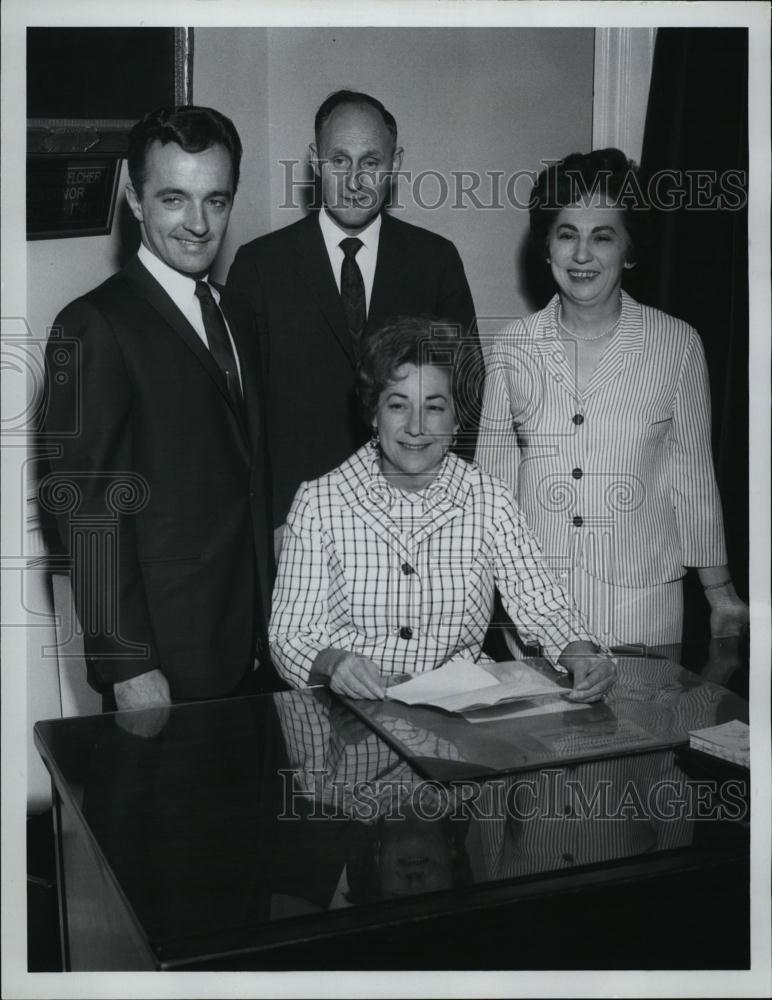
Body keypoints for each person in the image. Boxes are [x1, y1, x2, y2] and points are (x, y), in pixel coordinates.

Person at [41, 105, 275, 712]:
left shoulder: (237, 313)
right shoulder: (92, 325)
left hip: (252, 645)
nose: (198, 224)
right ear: (134, 199)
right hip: (162, 665)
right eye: (174, 198)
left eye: (216, 201)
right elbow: (87, 511)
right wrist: (129, 667)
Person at [475, 148, 749, 660]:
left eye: (602, 236)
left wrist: (720, 593)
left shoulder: (677, 345)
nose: (582, 255)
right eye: (566, 234)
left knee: (646, 736)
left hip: (642, 607)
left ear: (629, 250)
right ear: (546, 247)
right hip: (538, 606)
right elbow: (492, 490)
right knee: (537, 740)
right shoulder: (512, 346)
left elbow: (693, 475)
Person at [269, 316, 616, 701]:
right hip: (352, 718)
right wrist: (333, 663)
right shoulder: (319, 503)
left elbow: (542, 604)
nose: (416, 426)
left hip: (464, 721)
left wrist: (584, 655)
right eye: (398, 405)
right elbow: (289, 637)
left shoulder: (489, 498)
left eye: (434, 408)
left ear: (455, 421)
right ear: (372, 413)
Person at [227, 89, 480, 529]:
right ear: (314, 161)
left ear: (395, 164)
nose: (354, 180)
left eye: (370, 162)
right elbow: (240, 419)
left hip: (413, 516)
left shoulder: (435, 261)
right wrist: (268, 522)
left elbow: (466, 395)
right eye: (339, 161)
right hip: (295, 524)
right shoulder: (260, 266)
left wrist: (439, 509)